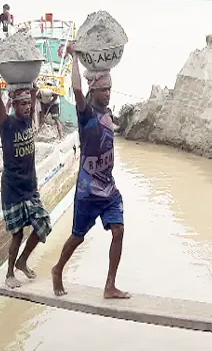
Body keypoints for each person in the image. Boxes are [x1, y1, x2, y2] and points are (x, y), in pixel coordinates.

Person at [52, 44, 128, 299]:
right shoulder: (86, 114)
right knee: (77, 237)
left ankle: (110, 285)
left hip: (108, 186)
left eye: (109, 89)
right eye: (103, 90)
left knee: (118, 230)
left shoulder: (107, 111)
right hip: (87, 189)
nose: (107, 93)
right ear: (92, 91)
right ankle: (58, 269)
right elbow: (75, 88)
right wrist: (74, 57)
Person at [0, 67, 51, 289]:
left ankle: (23, 260)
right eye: (23, 104)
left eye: (29, 104)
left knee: (43, 223)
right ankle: (9, 274)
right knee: (17, 234)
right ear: (14, 106)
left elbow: (34, 91)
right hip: (13, 189)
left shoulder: (27, 121)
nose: (27, 107)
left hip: (30, 186)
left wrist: (31, 78)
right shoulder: (7, 125)